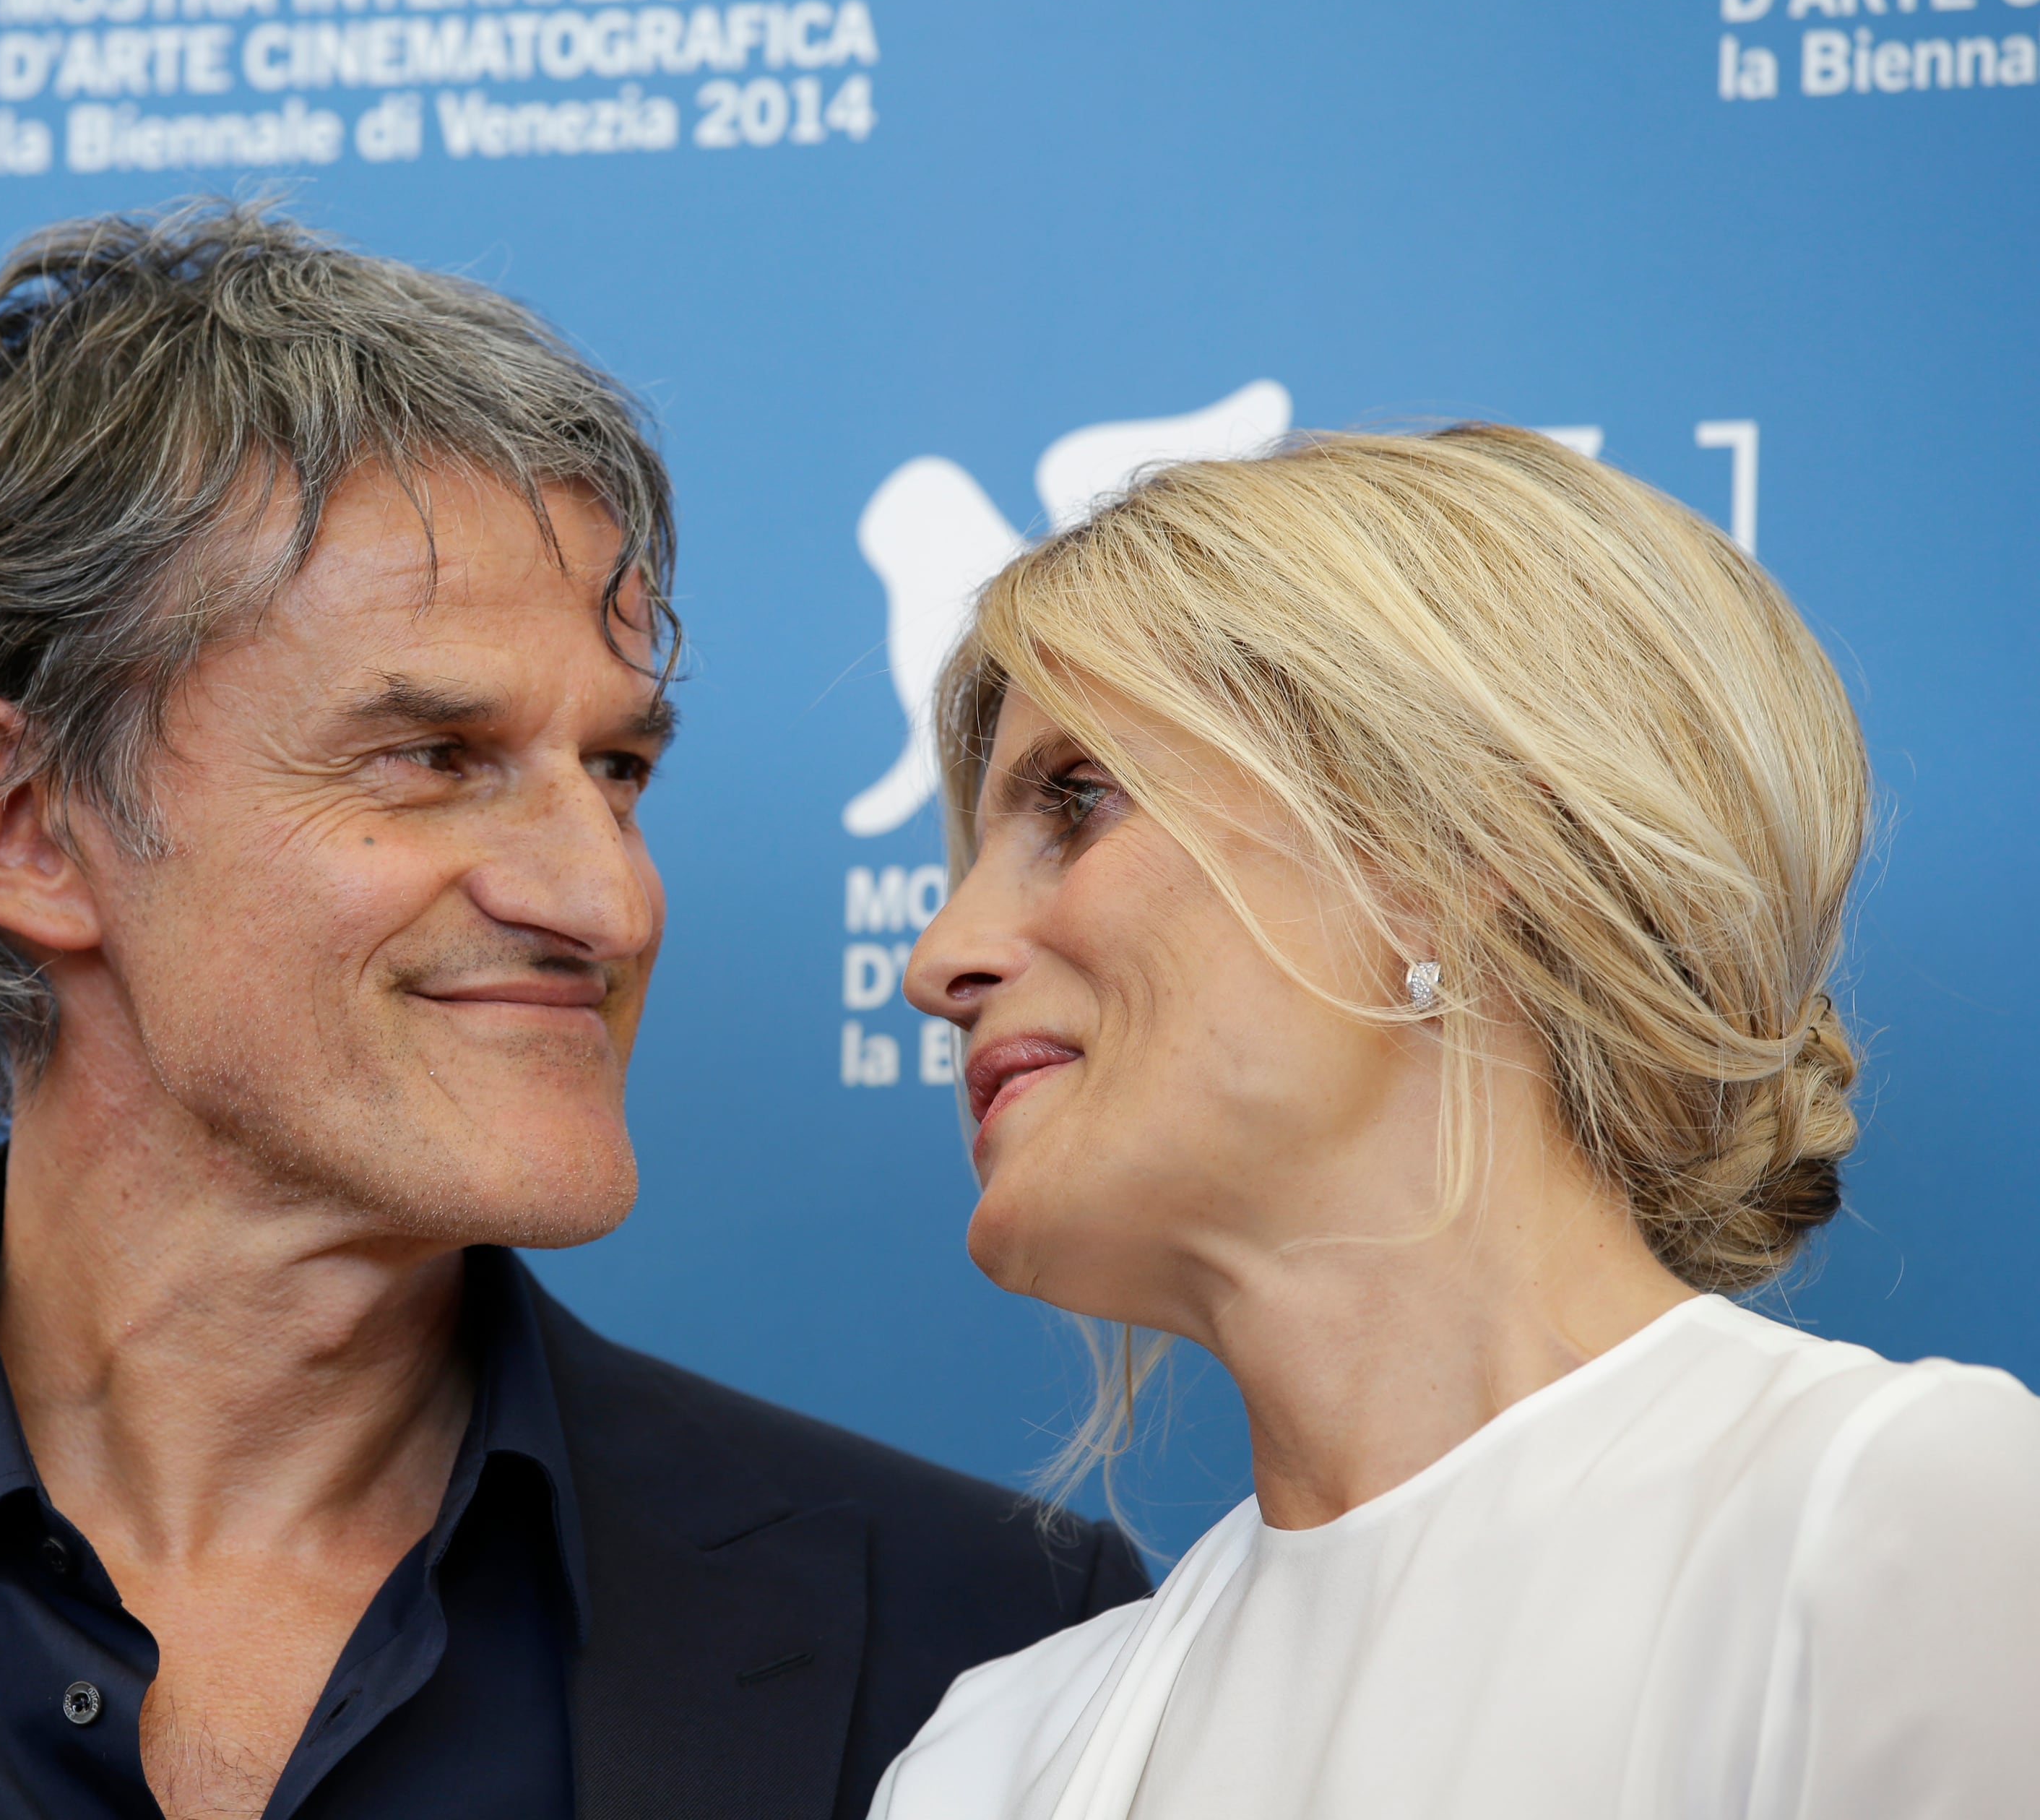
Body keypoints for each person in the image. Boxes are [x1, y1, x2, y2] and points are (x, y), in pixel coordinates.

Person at [0, 204, 1145, 1820]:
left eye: (620, 768)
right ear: (26, 823)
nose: (610, 898)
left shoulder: (987, 1640)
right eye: (433, 756)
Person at [869, 424, 2040, 1819]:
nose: (937, 960)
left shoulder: (1901, 1524)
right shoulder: (990, 1761)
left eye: (1080, 802)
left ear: (1452, 846)